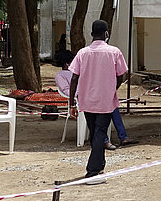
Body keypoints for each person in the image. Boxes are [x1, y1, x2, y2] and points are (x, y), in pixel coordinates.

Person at [68, 20, 129, 183]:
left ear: (92, 34)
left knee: (96, 132)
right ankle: (92, 171)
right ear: (106, 34)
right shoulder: (114, 52)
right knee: (99, 134)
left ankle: (99, 165)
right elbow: (122, 74)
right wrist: (113, 88)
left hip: (87, 100)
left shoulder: (82, 53)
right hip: (105, 101)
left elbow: (74, 78)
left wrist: (71, 103)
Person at [57, 50, 137, 151]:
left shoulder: (81, 70)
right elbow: (66, 90)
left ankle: (123, 136)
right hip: (82, 98)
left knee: (113, 106)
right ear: (67, 63)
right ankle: (104, 140)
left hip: (92, 94)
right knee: (98, 115)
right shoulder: (61, 75)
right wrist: (79, 95)